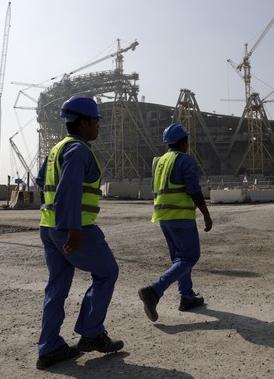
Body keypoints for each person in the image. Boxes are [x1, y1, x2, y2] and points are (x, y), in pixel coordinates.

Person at [35, 95, 123, 370]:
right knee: (107, 272)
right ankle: (91, 333)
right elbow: (69, 187)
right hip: (74, 229)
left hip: (48, 228)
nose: (98, 126)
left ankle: (49, 347)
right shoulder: (79, 150)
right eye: (95, 121)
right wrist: (72, 227)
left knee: (57, 286)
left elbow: (41, 181)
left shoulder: (56, 149)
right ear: (84, 123)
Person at [138, 123, 213, 322]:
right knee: (189, 257)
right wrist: (206, 214)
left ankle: (186, 296)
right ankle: (154, 290)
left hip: (163, 217)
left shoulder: (159, 162)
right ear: (184, 142)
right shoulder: (184, 160)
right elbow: (193, 190)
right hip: (181, 217)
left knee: (179, 259)